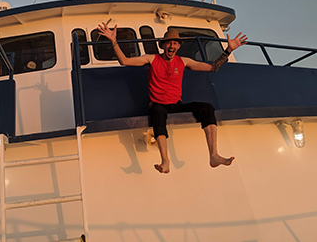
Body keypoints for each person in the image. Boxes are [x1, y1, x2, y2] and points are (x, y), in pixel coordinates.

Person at [97, 23, 248, 174]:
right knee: (157, 111)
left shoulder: (183, 61)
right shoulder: (152, 59)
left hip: (176, 104)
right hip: (159, 105)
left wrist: (228, 50)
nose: (172, 46)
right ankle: (165, 161)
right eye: (169, 42)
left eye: (175, 43)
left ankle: (214, 155)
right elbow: (125, 61)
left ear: (179, 46)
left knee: (207, 107)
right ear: (163, 45)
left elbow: (212, 68)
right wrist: (113, 41)